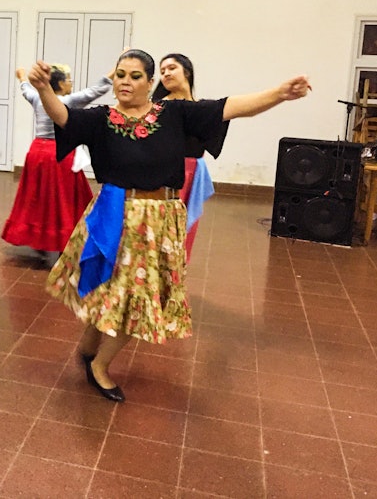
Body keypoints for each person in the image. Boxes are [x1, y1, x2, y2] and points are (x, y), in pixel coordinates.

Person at [29, 49, 310, 402]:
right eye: (120, 74)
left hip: (157, 220)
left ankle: (95, 359)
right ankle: (94, 359)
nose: (125, 82)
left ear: (151, 82)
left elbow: (232, 107)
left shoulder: (173, 113)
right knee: (110, 290)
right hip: (114, 214)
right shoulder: (102, 118)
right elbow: (65, 117)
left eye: (135, 76)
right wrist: (44, 90)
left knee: (137, 299)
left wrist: (279, 94)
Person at [2, 64, 112, 260]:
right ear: (60, 83)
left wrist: (21, 77)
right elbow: (97, 90)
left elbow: (26, 89)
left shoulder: (37, 97)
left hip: (37, 153)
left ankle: (39, 237)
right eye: (68, 80)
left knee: (38, 197)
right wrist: (117, 67)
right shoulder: (67, 100)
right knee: (62, 199)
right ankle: (64, 237)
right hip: (58, 153)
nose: (71, 84)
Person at [151, 53, 226, 261]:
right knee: (162, 229)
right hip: (165, 173)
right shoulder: (157, 107)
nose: (166, 73)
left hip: (193, 174)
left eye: (171, 68)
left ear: (187, 72)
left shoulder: (201, 107)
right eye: (162, 70)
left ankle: (175, 279)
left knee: (185, 231)